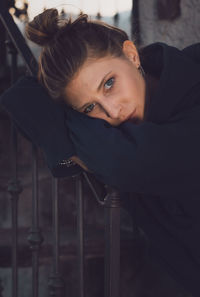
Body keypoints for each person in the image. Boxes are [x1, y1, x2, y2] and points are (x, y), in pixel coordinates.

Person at [25, 8, 200, 296]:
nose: (113, 112)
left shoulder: (192, 97)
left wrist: (75, 127)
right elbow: (25, 99)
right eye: (89, 108)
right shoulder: (121, 133)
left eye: (109, 83)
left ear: (131, 54)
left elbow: (124, 163)